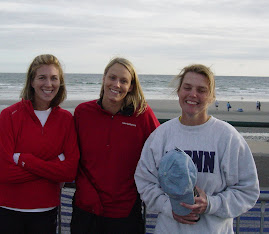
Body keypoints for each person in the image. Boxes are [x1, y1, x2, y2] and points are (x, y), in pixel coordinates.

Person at [135, 64, 259, 233]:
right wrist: (169, 207)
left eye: (201, 90)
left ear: (211, 96)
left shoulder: (227, 137)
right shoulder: (161, 135)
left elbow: (248, 190)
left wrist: (210, 204)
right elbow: (144, 181)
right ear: (179, 91)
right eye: (187, 88)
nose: (193, 94)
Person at [71, 57, 160, 234]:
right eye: (112, 77)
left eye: (124, 81)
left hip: (124, 212)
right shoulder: (83, 112)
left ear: (131, 86)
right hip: (86, 208)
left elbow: (161, 152)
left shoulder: (142, 115)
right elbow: (72, 157)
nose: (116, 84)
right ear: (103, 78)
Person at [0, 54, 80, 234]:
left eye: (54, 78)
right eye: (42, 78)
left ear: (60, 83)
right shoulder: (8, 116)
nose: (48, 84)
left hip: (46, 211)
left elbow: (69, 171)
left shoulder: (66, 119)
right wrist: (52, 167)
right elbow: (3, 172)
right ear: (32, 82)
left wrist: (24, 160)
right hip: (7, 210)